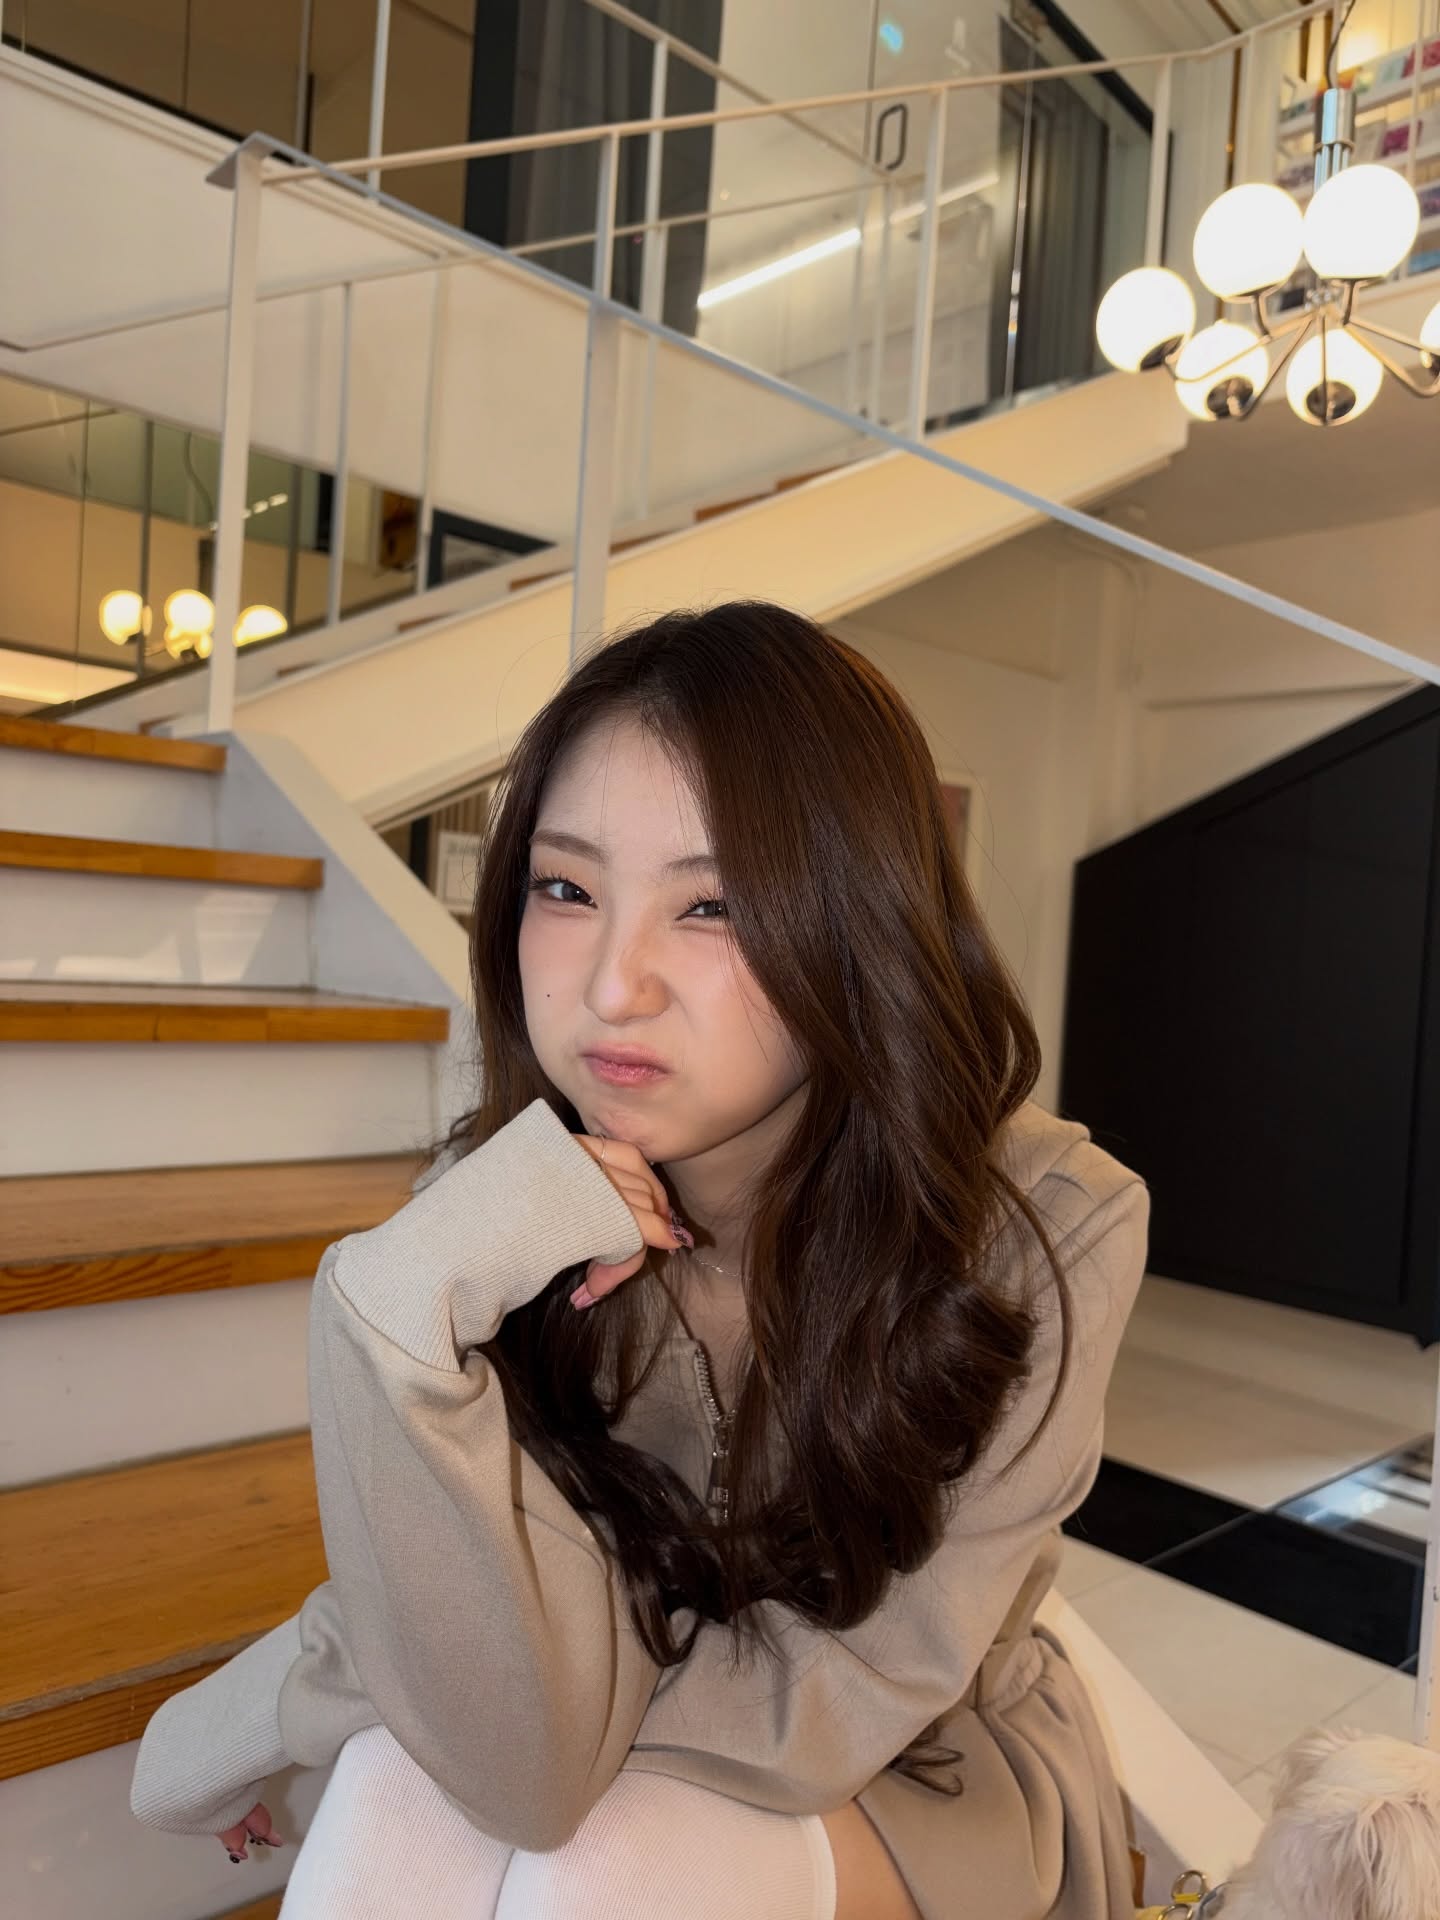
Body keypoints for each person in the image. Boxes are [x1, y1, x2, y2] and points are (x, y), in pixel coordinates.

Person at [130, 601, 1150, 1919]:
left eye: (712, 905)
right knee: (398, 1790)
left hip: (915, 1762)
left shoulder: (1048, 1226)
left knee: (582, 1855)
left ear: (860, 923)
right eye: (566, 889)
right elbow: (462, 1597)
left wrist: (408, 1696)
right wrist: (381, 1310)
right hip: (573, 1721)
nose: (615, 986)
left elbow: (849, 1689)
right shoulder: (503, 1214)